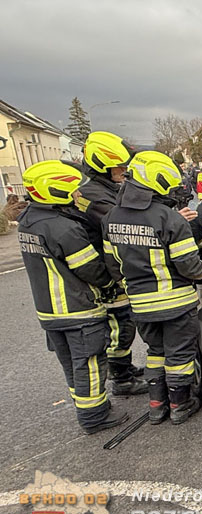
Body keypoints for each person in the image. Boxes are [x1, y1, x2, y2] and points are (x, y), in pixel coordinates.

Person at [18, 161, 129, 434]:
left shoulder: (29, 220)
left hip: (49, 312)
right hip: (77, 308)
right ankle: (95, 415)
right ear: (55, 191)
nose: (78, 195)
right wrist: (112, 284)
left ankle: (84, 405)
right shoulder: (64, 229)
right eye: (72, 191)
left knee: (72, 365)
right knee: (89, 362)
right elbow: (90, 269)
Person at [103, 151, 202, 425]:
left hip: (140, 305)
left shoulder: (111, 217)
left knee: (156, 353)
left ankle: (156, 405)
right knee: (180, 356)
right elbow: (190, 266)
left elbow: (113, 265)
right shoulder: (169, 218)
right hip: (175, 303)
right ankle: (180, 405)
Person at [79, 131, 149, 396]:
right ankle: (121, 378)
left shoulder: (105, 188)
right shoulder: (94, 196)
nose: (124, 171)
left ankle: (125, 367)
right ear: (103, 166)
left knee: (124, 321)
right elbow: (122, 223)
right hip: (106, 272)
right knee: (121, 324)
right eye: (120, 167)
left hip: (112, 267)